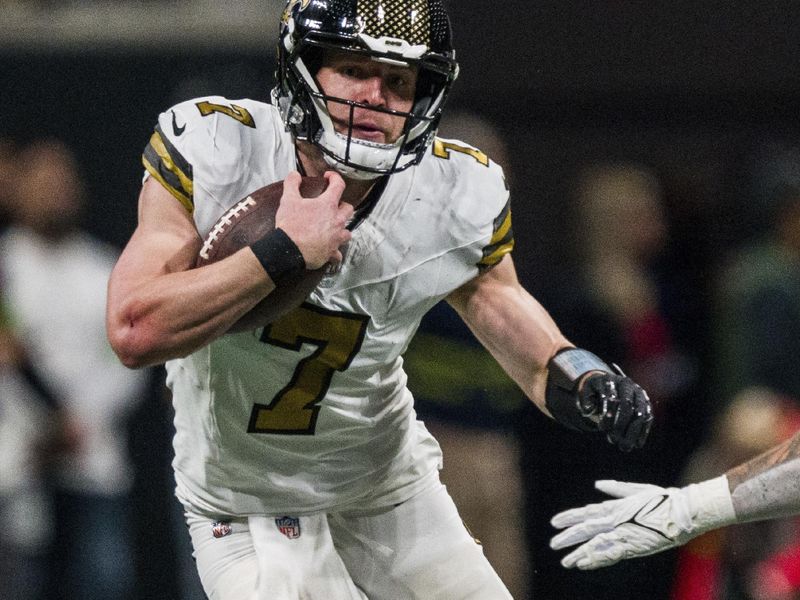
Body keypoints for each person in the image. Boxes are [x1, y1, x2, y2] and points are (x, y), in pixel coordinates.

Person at [106, 1, 654, 598]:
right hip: (244, 500)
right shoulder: (221, 146)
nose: (376, 96)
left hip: (386, 490)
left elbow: (503, 306)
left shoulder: (453, 191)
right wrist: (285, 250)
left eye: (398, 80)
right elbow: (135, 329)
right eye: (354, 70)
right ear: (304, 70)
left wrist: (581, 376)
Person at [1, 139, 148, 600]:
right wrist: (39, 427)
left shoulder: (106, 269)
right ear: (19, 190)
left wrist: (77, 423)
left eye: (62, 183)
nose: (53, 193)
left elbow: (125, 361)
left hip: (91, 458)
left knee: (101, 582)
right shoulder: (5, 268)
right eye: (42, 183)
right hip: (15, 462)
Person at [549, 416, 800, 574]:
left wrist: (786, 573)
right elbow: (699, 571)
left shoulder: (784, 426)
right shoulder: (712, 466)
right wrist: (687, 508)